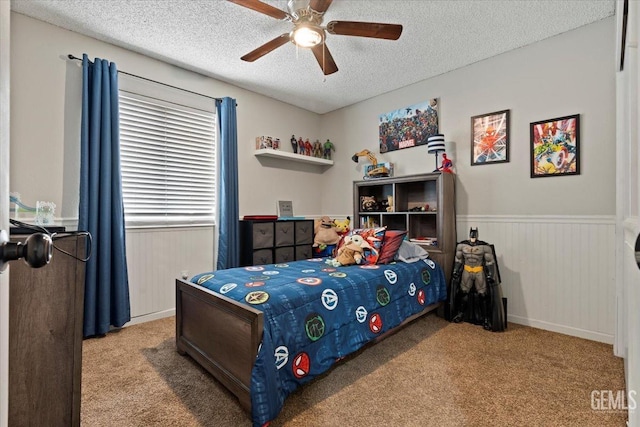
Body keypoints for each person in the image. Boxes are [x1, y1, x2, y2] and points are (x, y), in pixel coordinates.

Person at [449, 228, 505, 331]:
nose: (473, 237)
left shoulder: (484, 247)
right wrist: (456, 270)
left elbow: (490, 262)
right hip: (466, 271)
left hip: (479, 271)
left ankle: (485, 319)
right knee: (463, 292)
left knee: (483, 295)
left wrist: (491, 274)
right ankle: (461, 313)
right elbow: (458, 259)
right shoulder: (462, 246)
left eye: (474, 235)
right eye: (471, 235)